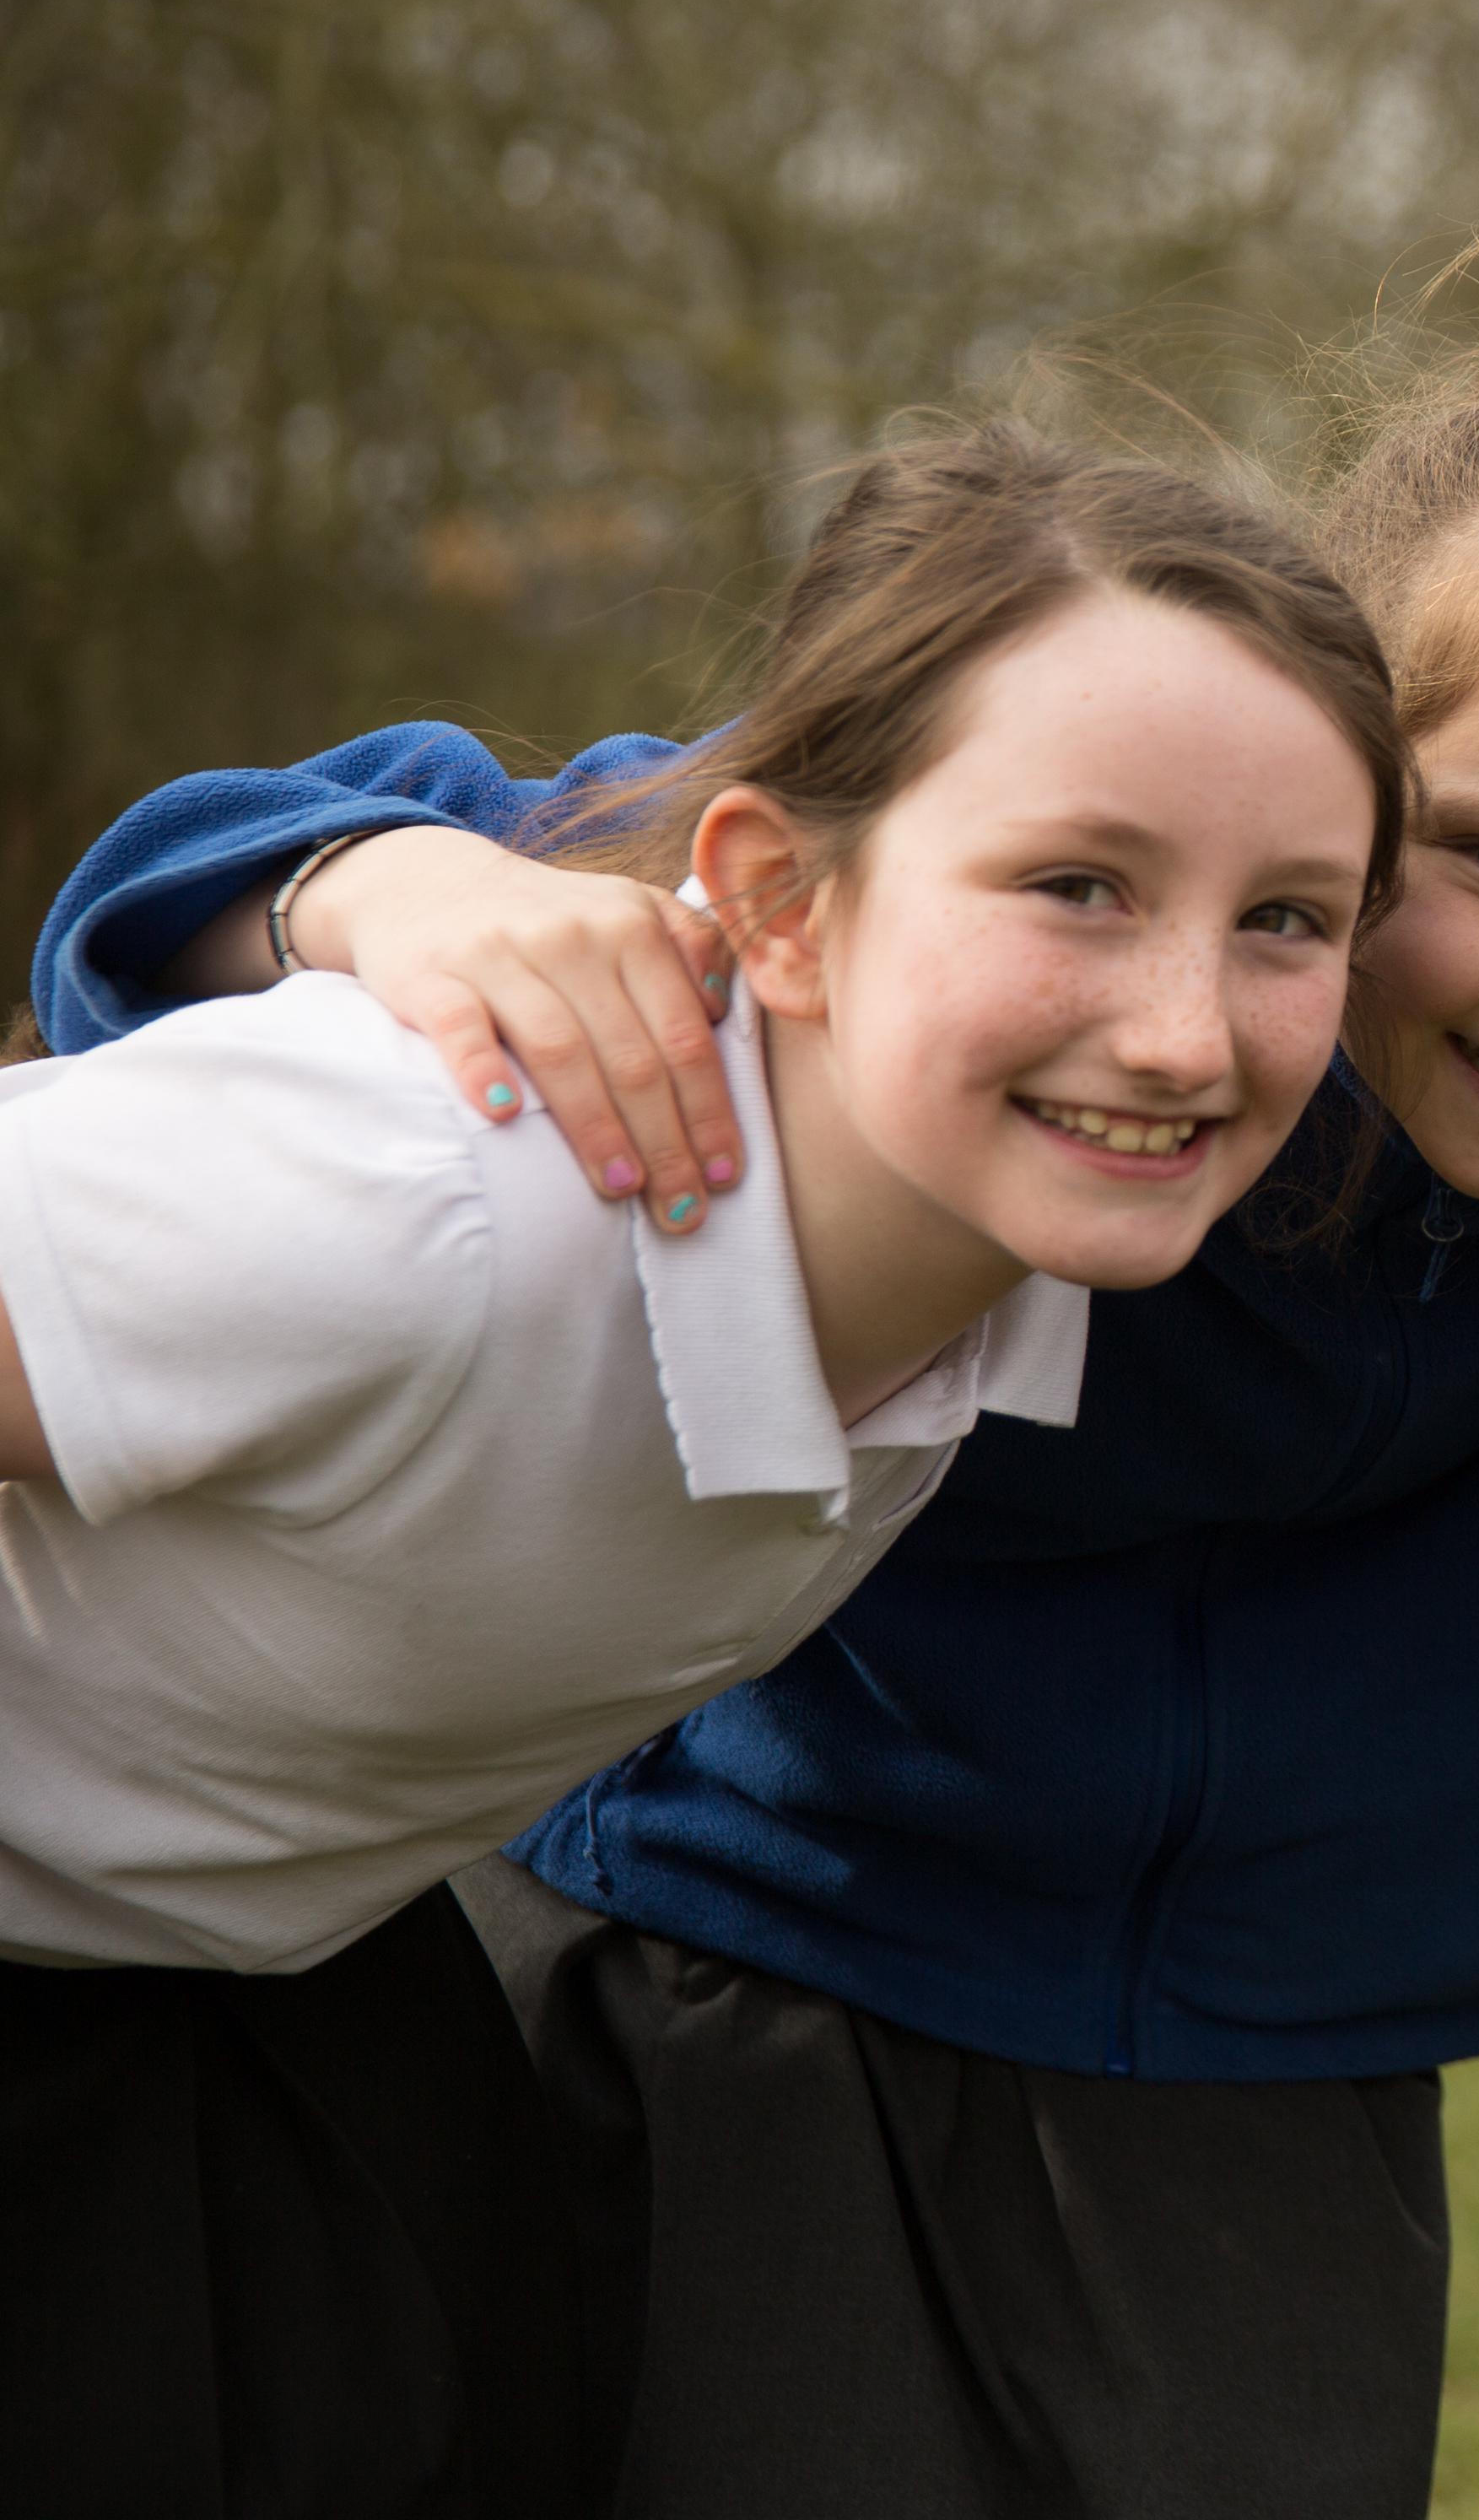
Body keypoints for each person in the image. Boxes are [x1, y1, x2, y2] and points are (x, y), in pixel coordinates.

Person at [20, 219, 1479, 2520]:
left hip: (1274, 2067)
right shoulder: (945, 986)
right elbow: (624, 840)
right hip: (735, 1951)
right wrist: (366, 876)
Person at [0, 423, 1404, 2520]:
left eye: (1287, 919)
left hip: (264, 1978)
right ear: (775, 899)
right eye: (1076, 887)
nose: (1191, 1033)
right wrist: (342, 880)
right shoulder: (435, 1189)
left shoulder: (1000, 1264)